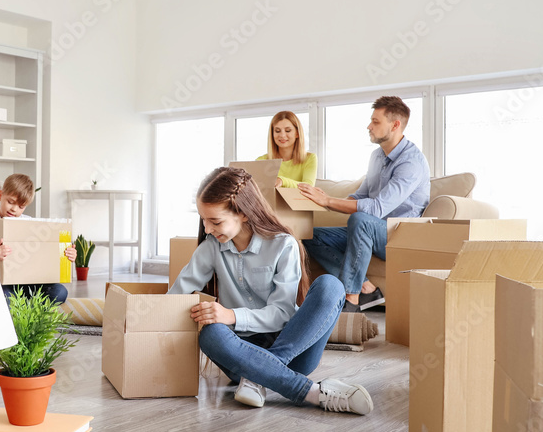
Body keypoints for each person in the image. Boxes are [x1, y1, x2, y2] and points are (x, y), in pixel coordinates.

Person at [168, 166, 373, 415]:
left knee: (331, 285)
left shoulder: (282, 245)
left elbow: (282, 314)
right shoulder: (211, 248)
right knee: (210, 334)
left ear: (243, 213)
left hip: (291, 349)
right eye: (203, 220)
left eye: (215, 221)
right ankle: (312, 392)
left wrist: (231, 316)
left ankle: (256, 378)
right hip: (240, 352)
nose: (207, 229)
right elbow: (175, 297)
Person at [299, 96, 430, 312]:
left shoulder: (411, 162)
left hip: (399, 235)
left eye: (376, 122)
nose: (369, 126)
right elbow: (360, 197)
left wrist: (329, 201)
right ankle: (366, 289)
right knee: (308, 235)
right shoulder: (377, 157)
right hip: (371, 230)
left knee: (361, 220)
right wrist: (322, 200)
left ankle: (351, 300)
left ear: (395, 125)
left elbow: (377, 208)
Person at [0, 173, 77, 305]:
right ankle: (21, 307)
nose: (14, 209)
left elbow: (44, 252)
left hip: (27, 282)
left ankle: (24, 308)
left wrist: (67, 254)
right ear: (0, 196)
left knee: (60, 292)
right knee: (5, 296)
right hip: (0, 282)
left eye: (21, 207)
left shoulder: (28, 222)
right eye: (10, 202)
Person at [256, 110, 317, 188]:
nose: (282, 135)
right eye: (277, 131)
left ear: (297, 133)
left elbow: (308, 187)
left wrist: (282, 181)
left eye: (288, 130)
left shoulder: (310, 158)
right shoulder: (261, 161)